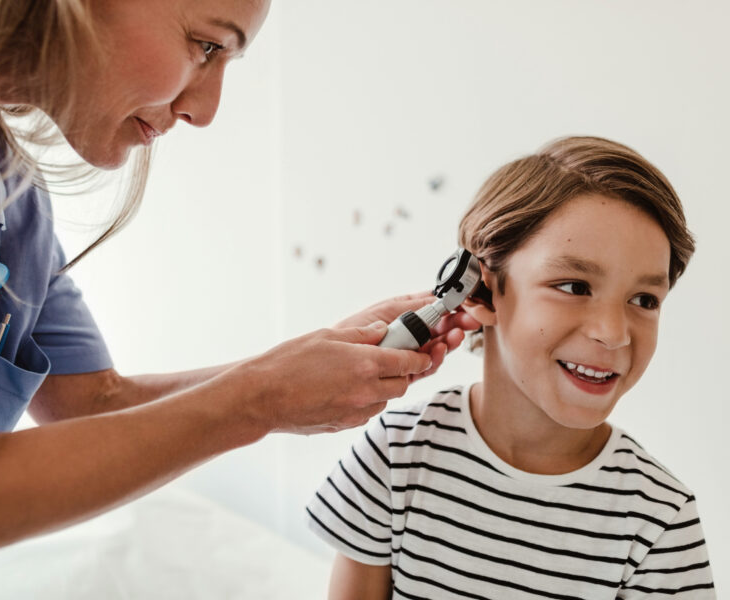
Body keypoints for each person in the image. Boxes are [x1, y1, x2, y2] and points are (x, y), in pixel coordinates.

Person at [0, 0, 478, 565]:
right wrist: (262, 398)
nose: (207, 110)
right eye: (207, 46)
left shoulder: (5, 189)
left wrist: (303, 366)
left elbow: (93, 405)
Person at [306, 136, 716, 598]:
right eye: (575, 286)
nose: (614, 332)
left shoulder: (660, 521)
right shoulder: (396, 454)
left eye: (644, 300)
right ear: (479, 293)